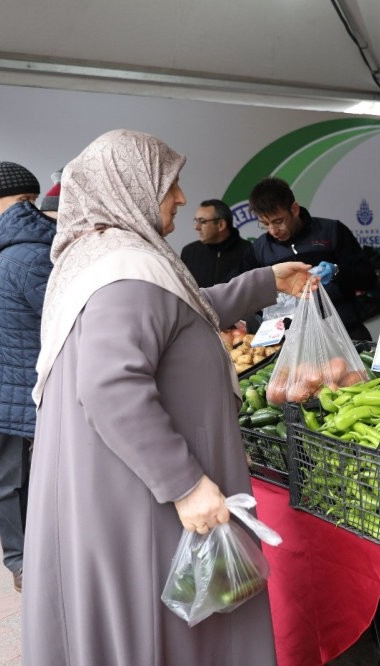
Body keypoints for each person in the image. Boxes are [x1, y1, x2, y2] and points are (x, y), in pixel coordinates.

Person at [22, 129, 313, 665]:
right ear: (128, 185)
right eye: (170, 184)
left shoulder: (112, 257)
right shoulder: (122, 274)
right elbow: (110, 386)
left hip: (119, 490)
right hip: (144, 504)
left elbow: (181, 311)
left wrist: (265, 281)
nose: (181, 197)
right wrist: (186, 485)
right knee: (166, 637)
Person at [0, 161, 46, 590]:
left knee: (10, 478)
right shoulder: (46, 242)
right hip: (15, 378)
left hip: (5, 380)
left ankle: (26, 562)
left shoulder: (15, 245)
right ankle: (24, 561)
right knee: (14, 478)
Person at [245, 177, 376, 340]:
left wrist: (336, 271)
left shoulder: (332, 231)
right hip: (294, 340)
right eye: (264, 223)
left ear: (294, 209)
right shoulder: (260, 249)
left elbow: (369, 278)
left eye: (278, 221)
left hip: (344, 330)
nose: (273, 230)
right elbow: (251, 293)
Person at [181, 198, 254, 288]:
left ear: (221, 225)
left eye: (202, 221)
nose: (196, 227)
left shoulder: (248, 251)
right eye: (196, 221)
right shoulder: (189, 252)